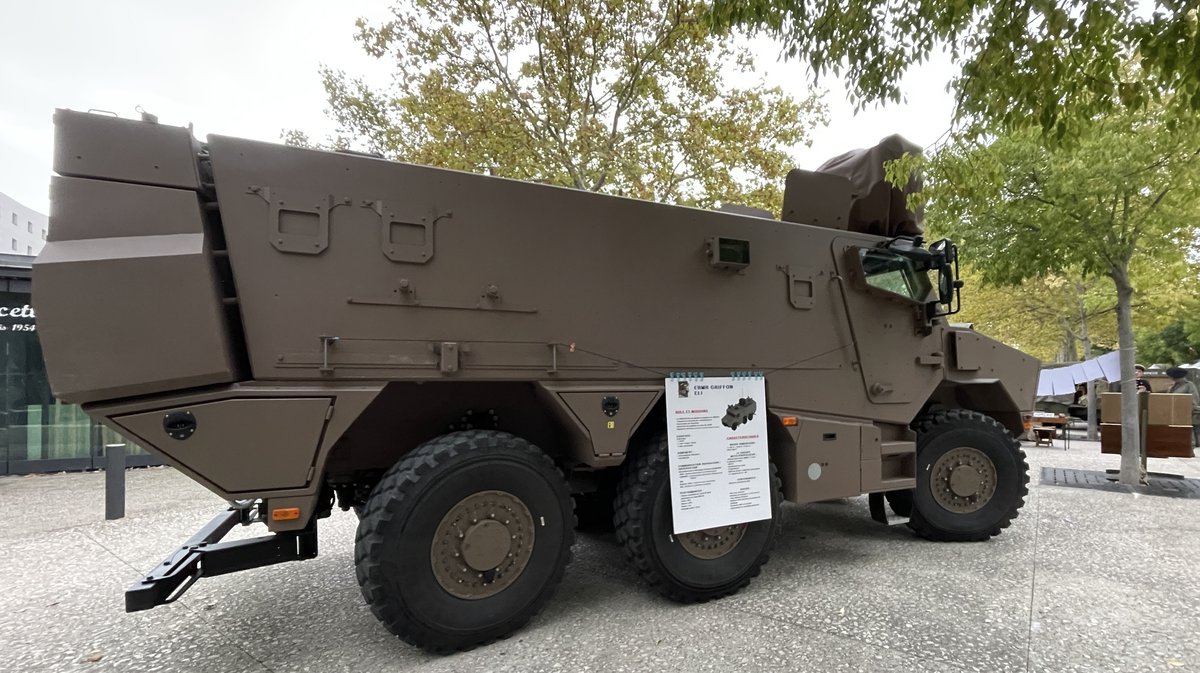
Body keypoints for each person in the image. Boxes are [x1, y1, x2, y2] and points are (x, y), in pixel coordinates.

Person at [1166, 367, 1200, 448]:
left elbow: (1194, 399)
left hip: (1186, 412)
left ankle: (1191, 445)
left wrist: (1191, 409)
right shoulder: (1173, 386)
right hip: (1174, 411)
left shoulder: (1189, 385)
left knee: (1188, 429)